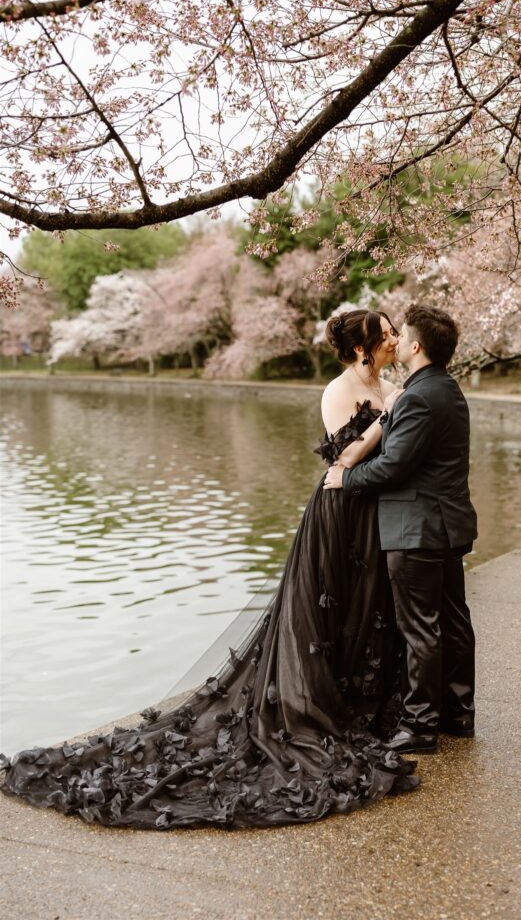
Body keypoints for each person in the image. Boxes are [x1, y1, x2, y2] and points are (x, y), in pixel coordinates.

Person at [0, 309, 420, 830]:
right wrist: (387, 417)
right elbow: (344, 458)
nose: (395, 340)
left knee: (369, 610)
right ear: (363, 347)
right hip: (341, 514)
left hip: (377, 512)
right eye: (386, 335)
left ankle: (369, 702)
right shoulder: (338, 390)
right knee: (332, 608)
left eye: (395, 333)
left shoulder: (390, 382)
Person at [324, 304, 478, 755]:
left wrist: (346, 478)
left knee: (420, 629)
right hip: (447, 526)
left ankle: (420, 725)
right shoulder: (448, 389)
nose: (396, 340)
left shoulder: (416, 396)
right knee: (453, 622)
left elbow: (392, 467)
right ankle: (458, 713)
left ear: (415, 346)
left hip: (417, 529)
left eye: (401, 334)